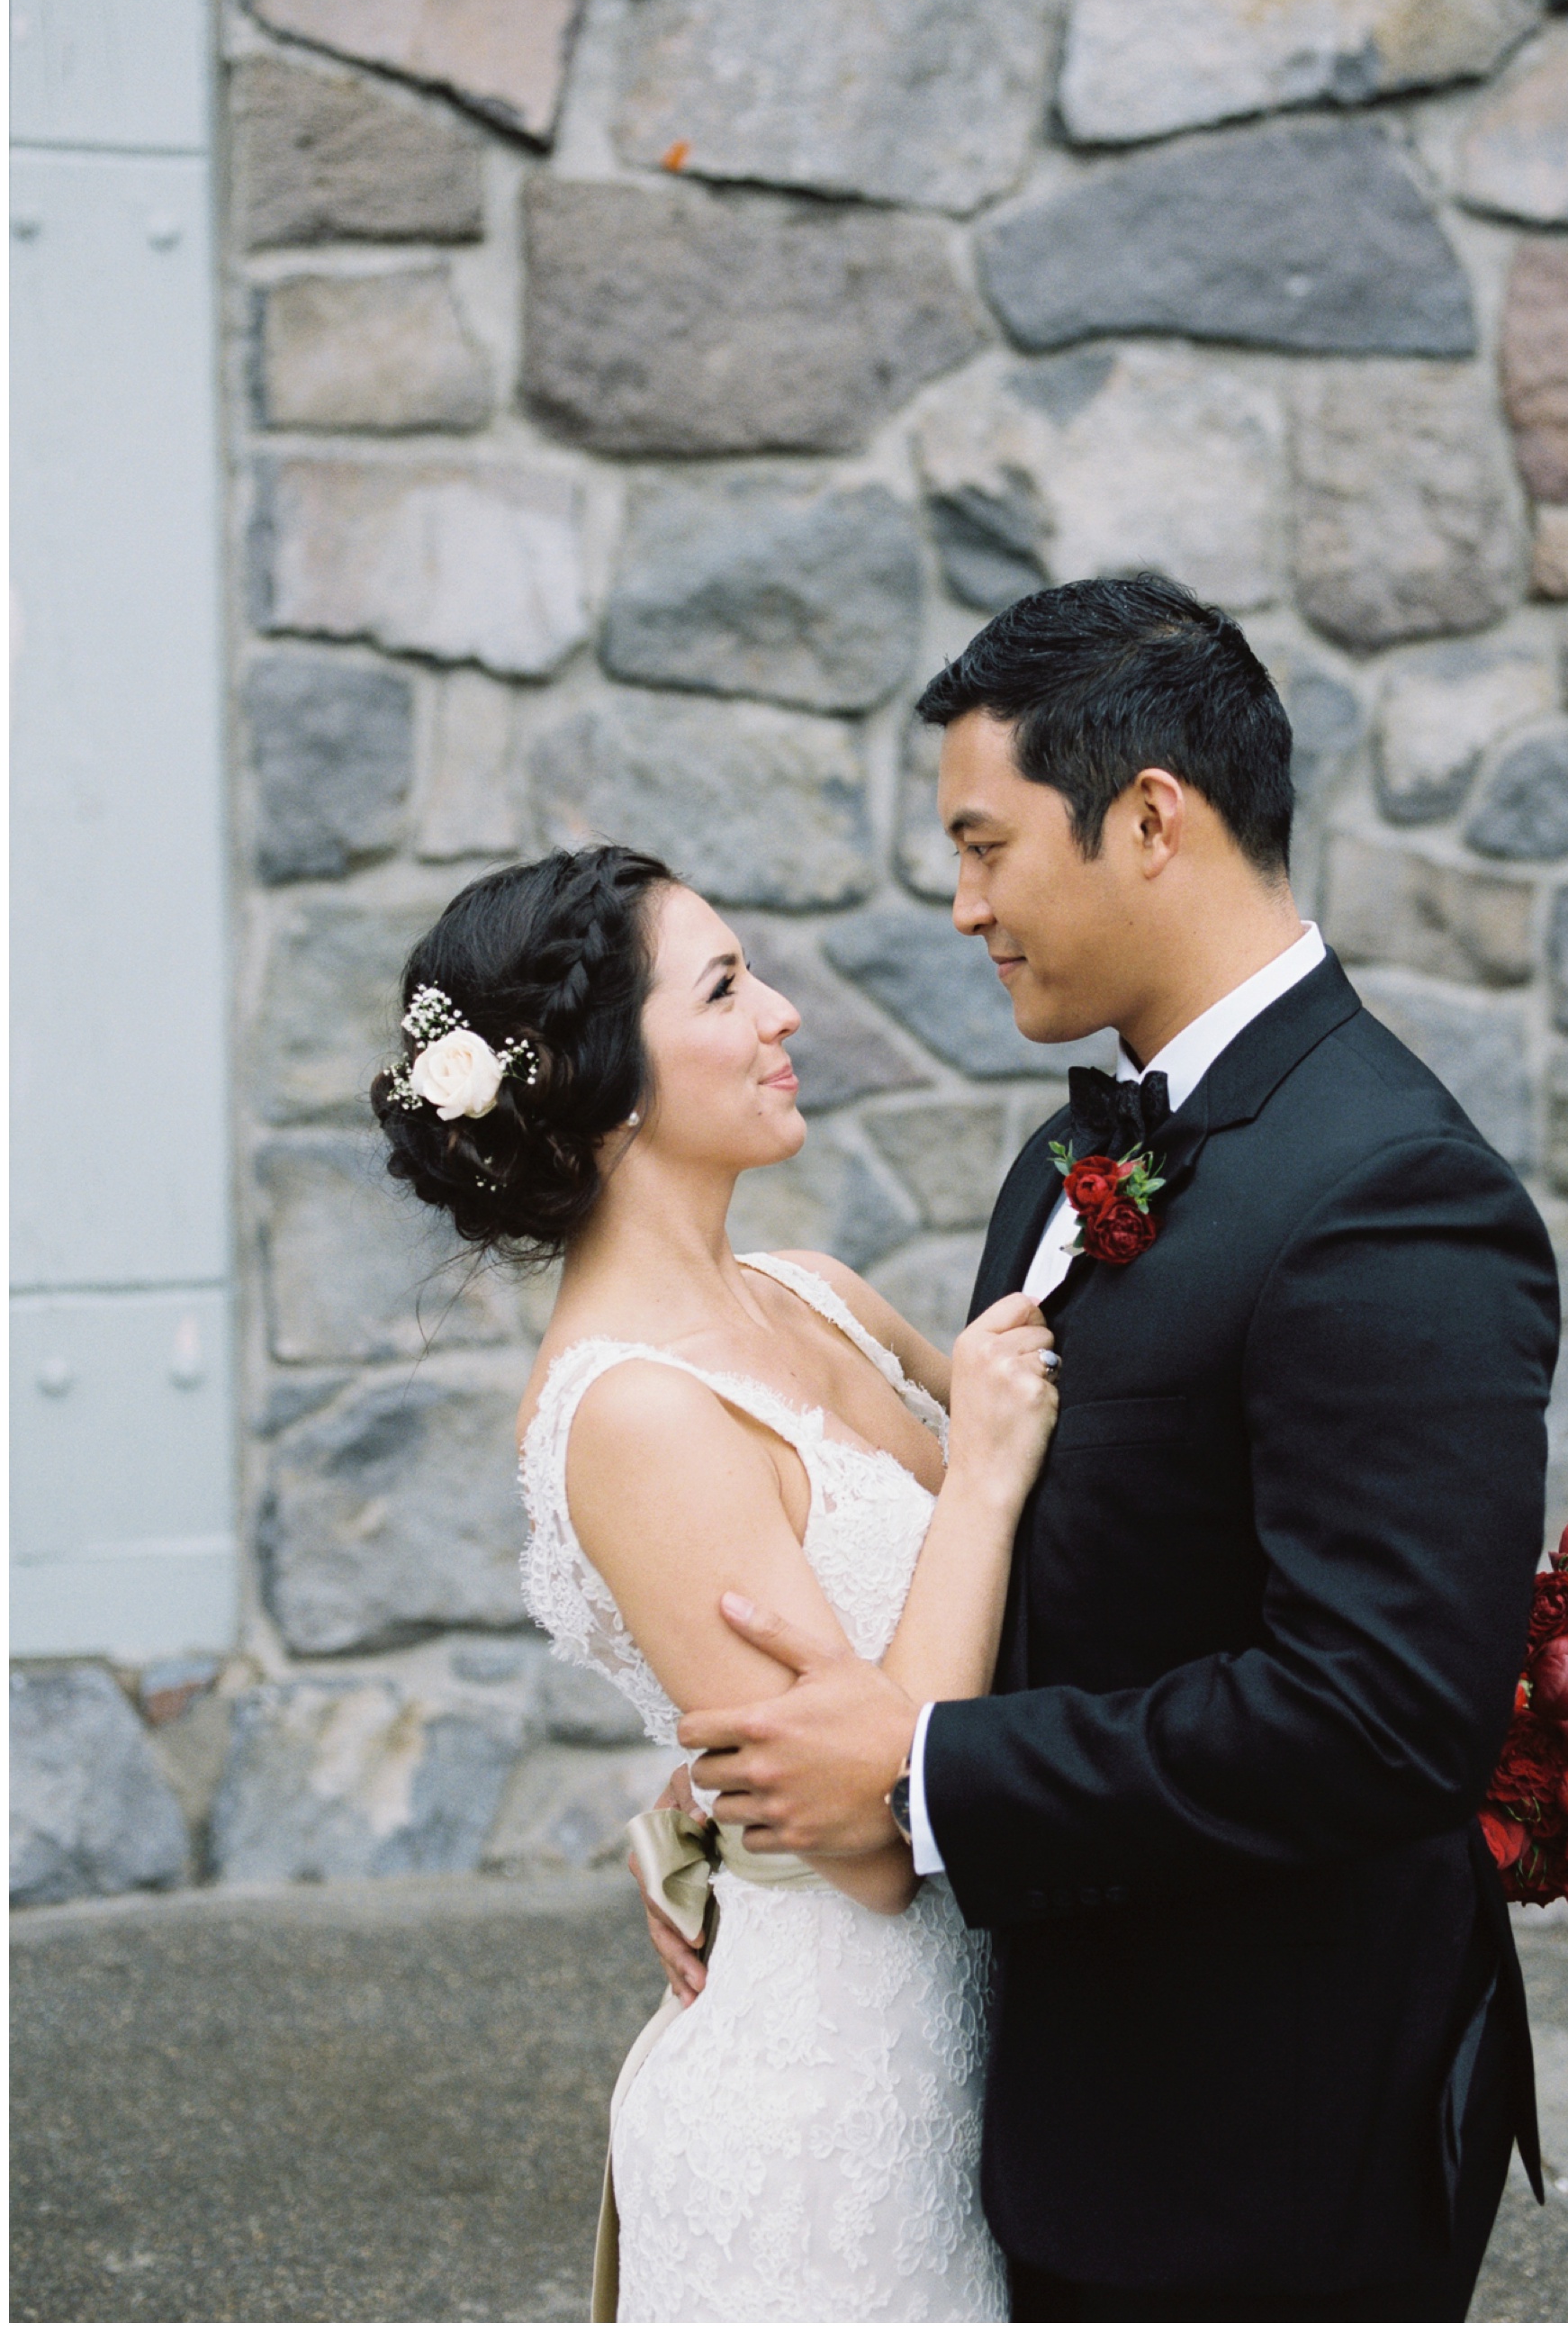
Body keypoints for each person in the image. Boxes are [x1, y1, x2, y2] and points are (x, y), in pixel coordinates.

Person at [661, 574, 1561, 2322]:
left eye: (987, 844)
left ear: (1150, 817)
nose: (961, 902)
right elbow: (1035, 1582)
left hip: (1255, 2163)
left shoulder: (1393, 1194)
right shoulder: (1057, 1170)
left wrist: (919, 1773)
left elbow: (1379, 1720)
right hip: (1056, 2102)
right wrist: (747, 1821)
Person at [371, 843, 1062, 2321]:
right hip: (827, 2139)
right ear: (606, 1078)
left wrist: (694, 1808)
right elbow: (875, 1841)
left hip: (989, 2071)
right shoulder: (632, 1414)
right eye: (730, 986)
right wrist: (986, 1476)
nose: (787, 1014)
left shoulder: (819, 1292)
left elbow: (1054, 1584)